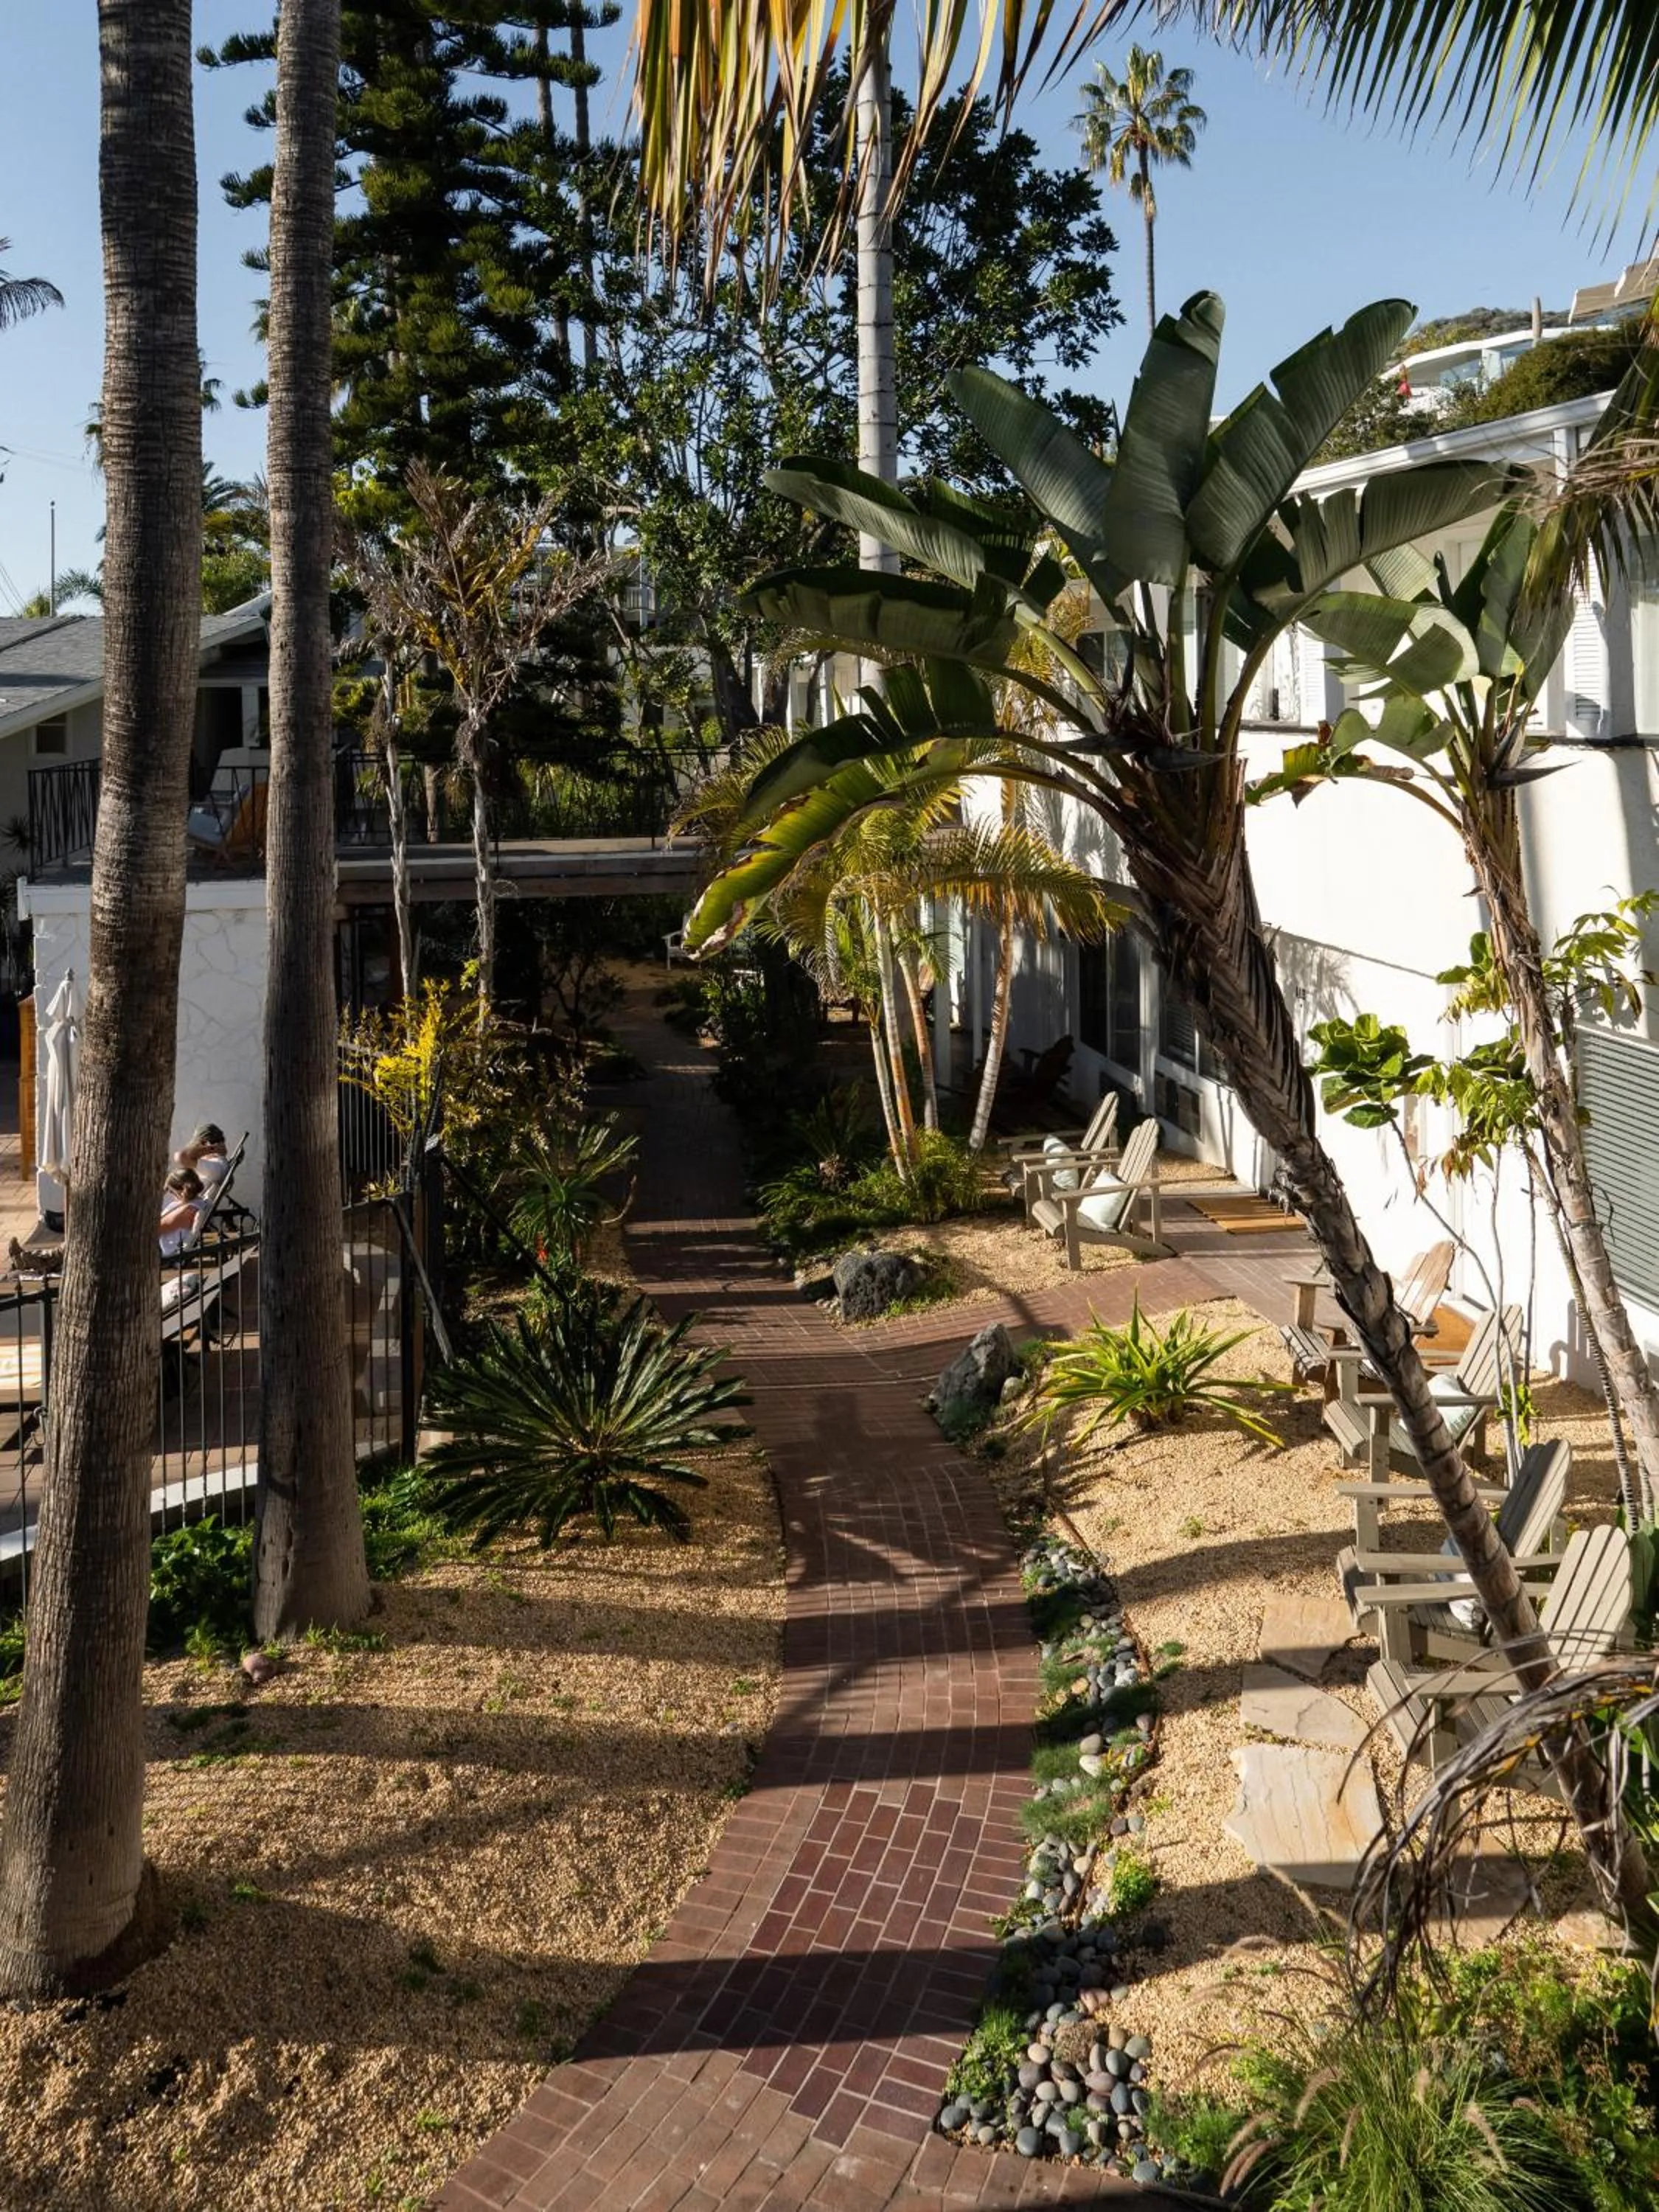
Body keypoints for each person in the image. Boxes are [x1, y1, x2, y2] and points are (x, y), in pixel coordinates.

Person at [159, 1167, 204, 1258]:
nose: (170, 1194)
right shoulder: (197, 1203)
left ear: (181, 1190)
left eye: (171, 1191)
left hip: (164, 1252)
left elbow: (155, 1230)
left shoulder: (187, 1210)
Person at [177, 1122, 230, 1187]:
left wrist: (213, 1148)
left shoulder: (215, 1166)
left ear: (206, 1144)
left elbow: (180, 1157)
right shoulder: (214, 1163)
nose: (194, 1147)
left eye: (197, 1145)